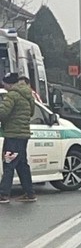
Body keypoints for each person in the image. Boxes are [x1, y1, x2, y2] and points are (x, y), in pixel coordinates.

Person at [0, 72, 36, 203]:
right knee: (21, 164)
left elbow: (3, 113)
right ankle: (30, 193)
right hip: (23, 134)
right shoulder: (28, 95)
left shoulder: (12, 95)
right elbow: (31, 112)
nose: (4, 86)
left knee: (8, 163)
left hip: (13, 134)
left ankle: (3, 194)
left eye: (4, 84)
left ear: (9, 83)